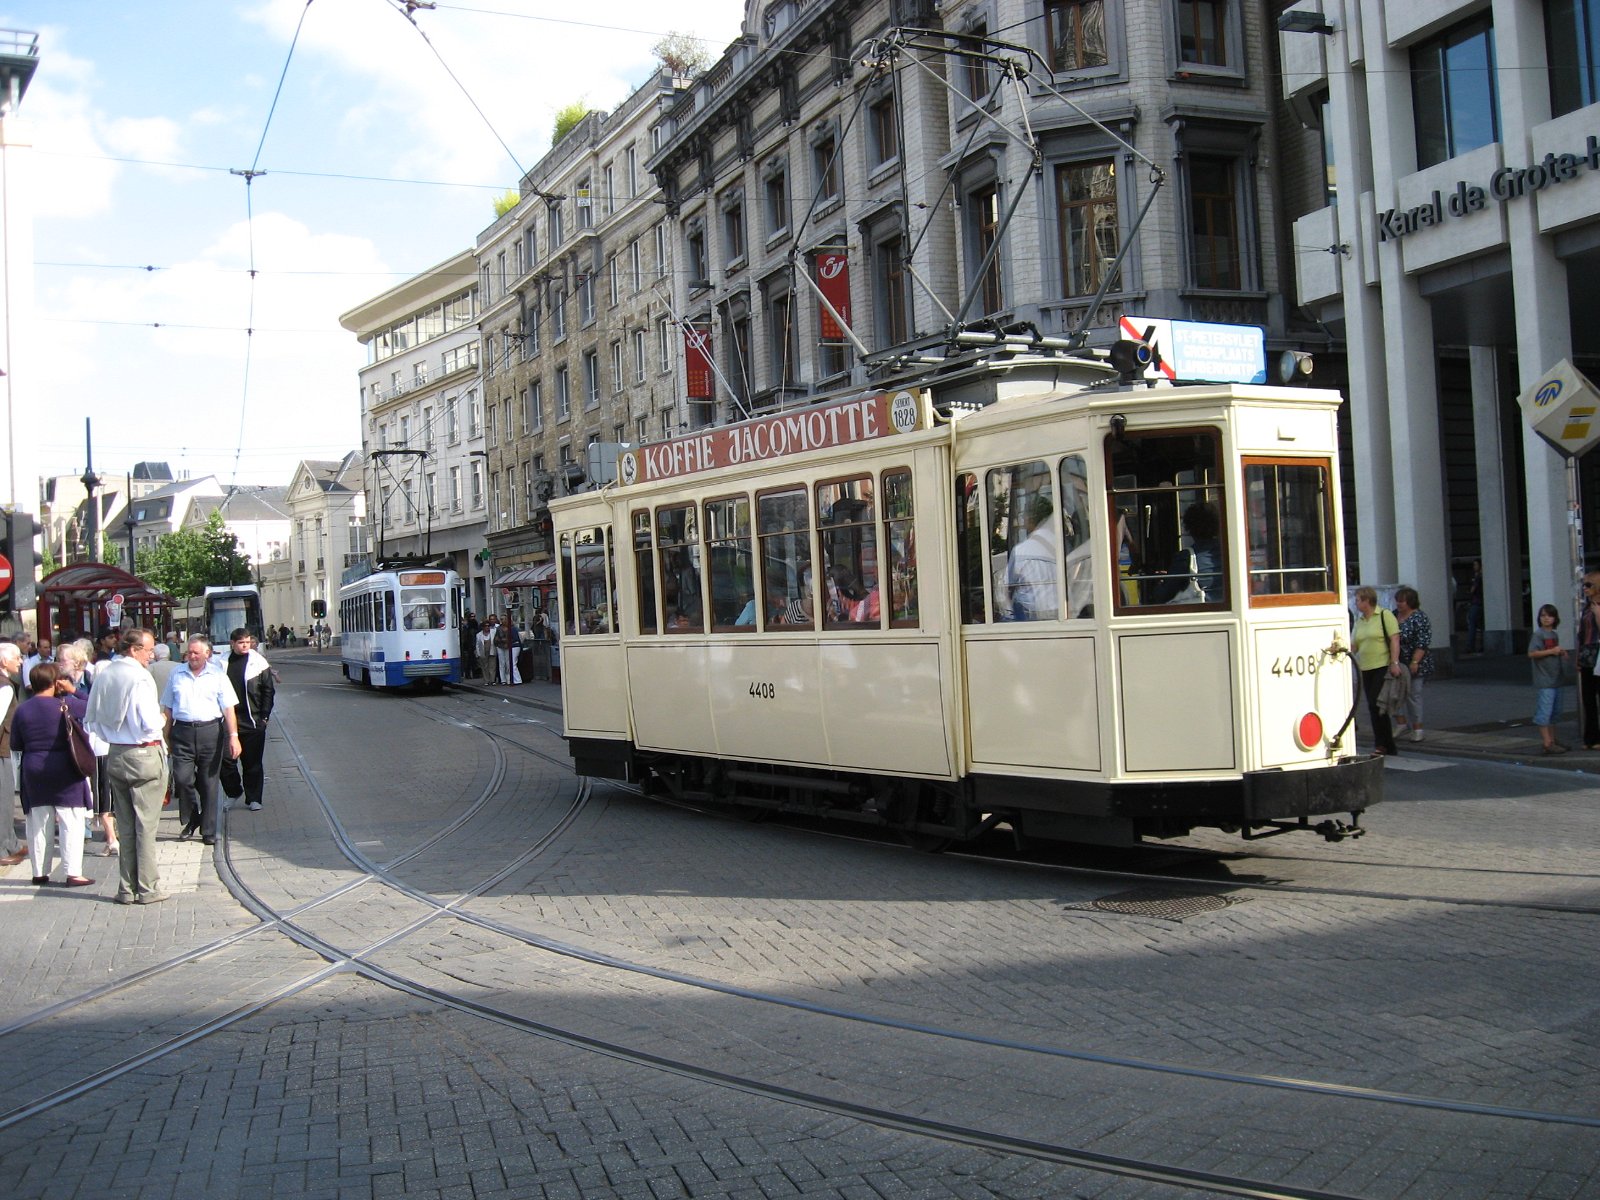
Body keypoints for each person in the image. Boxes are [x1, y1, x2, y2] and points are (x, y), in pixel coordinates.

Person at [83, 628, 168, 904]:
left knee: (126, 824)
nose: (151, 655)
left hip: (115, 753)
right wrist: (163, 720)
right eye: (148, 650)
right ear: (133, 649)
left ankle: (126, 888)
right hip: (143, 753)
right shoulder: (139, 677)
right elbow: (149, 723)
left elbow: (92, 718)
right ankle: (148, 888)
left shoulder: (104, 672)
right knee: (145, 825)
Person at [11, 663, 94, 887]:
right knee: (71, 820)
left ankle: (39, 871)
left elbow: (16, 743)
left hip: (34, 767)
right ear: (55, 682)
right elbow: (92, 707)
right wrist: (73, 690)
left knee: (38, 820)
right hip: (66, 766)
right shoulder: (65, 704)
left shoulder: (23, 709)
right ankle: (73, 872)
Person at [160, 636, 241, 847]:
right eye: (189, 652)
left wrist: (234, 737)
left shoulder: (217, 676)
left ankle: (208, 829)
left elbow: (229, 709)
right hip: (182, 732)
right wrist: (164, 737)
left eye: (196, 653)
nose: (192, 656)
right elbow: (167, 708)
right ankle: (192, 817)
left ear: (207, 654)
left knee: (208, 782)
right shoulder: (176, 674)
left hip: (210, 732)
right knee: (182, 779)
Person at [55, 642, 116, 858]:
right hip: (77, 742)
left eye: (61, 660)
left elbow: (95, 706)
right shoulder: (63, 680)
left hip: (97, 742)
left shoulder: (92, 677)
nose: (58, 663)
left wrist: (73, 694)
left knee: (99, 792)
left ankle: (107, 837)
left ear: (76, 662)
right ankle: (88, 833)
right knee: (89, 791)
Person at [220, 628, 275, 812]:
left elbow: (268, 690)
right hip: (227, 720)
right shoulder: (220, 662)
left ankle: (254, 797)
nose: (245, 646)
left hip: (252, 720)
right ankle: (234, 791)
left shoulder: (258, 662)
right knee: (225, 761)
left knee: (252, 762)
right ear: (232, 643)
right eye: (241, 642)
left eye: (248, 642)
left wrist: (264, 718)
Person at [1353, 586, 1402, 756]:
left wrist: (1394, 662)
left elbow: (1394, 639)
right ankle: (1388, 744)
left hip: (1382, 665)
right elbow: (1354, 644)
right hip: (1366, 668)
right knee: (1374, 707)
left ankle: (1381, 744)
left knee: (1377, 704)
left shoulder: (1384, 615)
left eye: (1358, 599)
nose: (1356, 602)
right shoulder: (1360, 621)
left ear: (1367, 601)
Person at [1155, 501, 1223, 604]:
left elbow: (1164, 595)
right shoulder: (1228, 553)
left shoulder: (1185, 558)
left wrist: (1161, 582)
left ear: (1190, 528)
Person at [1393, 586, 1434, 743]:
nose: (1398, 603)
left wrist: (1415, 661)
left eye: (1402, 601)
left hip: (1415, 661)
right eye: (1397, 600)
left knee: (1413, 695)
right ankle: (1401, 723)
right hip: (1397, 661)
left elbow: (1423, 642)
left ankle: (1418, 729)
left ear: (1410, 602)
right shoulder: (1394, 615)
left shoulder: (1419, 617)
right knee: (1394, 694)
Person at [1007, 494, 1058, 620]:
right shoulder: (1062, 546)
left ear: (1031, 519)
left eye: (1024, 515)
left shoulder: (1021, 550)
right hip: (1059, 611)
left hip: (1030, 615)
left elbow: (1008, 584)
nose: (1022, 519)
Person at [1529, 603, 1571, 755]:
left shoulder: (1554, 634)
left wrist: (1560, 653)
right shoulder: (1538, 635)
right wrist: (1552, 651)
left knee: (1554, 712)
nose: (1546, 618)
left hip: (1556, 678)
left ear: (1555, 618)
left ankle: (1552, 740)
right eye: (1543, 615)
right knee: (1545, 712)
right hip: (1545, 679)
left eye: (1549, 615)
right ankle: (1547, 742)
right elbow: (1532, 653)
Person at [0, 642, 27, 868]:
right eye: (17, 657)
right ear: (3, 661)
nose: (20, 661)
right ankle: (3, 847)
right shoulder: (5, 687)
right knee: (4, 800)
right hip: (1, 751)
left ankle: (11, 843)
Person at [1579, 569, 1600, 751]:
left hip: (1599, 654)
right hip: (1587, 654)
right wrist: (1579, 657)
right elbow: (1582, 633)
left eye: (1588, 585)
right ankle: (1590, 738)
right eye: (1583, 585)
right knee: (1588, 697)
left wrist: (1598, 613)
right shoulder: (1586, 606)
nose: (1584, 588)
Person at [1462, 559, 1484, 656]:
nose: (1474, 567)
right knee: (1480, 625)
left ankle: (1470, 646)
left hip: (1476, 602)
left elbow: (1472, 589)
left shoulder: (1477, 578)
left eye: (1475, 565)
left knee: (1472, 624)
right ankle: (1481, 645)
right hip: (1479, 602)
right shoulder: (1479, 577)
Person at [478, 616, 500, 685]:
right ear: (483, 627)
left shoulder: (493, 632)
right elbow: (477, 645)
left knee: (492, 666)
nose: (487, 627)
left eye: (488, 626)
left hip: (492, 650)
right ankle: (486, 680)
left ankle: (492, 680)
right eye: (485, 626)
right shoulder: (479, 635)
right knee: (485, 666)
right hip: (483, 652)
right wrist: (478, 654)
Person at [462, 611, 480, 679]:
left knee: (474, 661)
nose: (473, 618)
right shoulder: (467, 627)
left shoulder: (476, 625)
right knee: (468, 662)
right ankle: (468, 674)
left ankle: (475, 674)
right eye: (471, 617)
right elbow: (465, 636)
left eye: (474, 616)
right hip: (468, 646)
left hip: (474, 644)